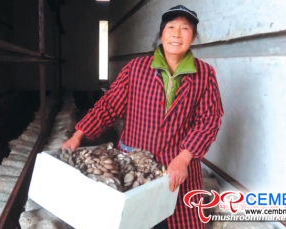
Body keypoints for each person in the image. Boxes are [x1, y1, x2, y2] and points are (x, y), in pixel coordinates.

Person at [62, 5, 224, 229]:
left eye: (185, 28)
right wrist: (78, 135)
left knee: (176, 221)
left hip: (176, 168)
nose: (177, 34)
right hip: (135, 165)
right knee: (134, 220)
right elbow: (109, 105)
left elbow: (209, 120)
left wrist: (184, 158)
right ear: (161, 33)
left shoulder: (204, 75)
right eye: (171, 27)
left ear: (193, 36)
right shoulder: (137, 68)